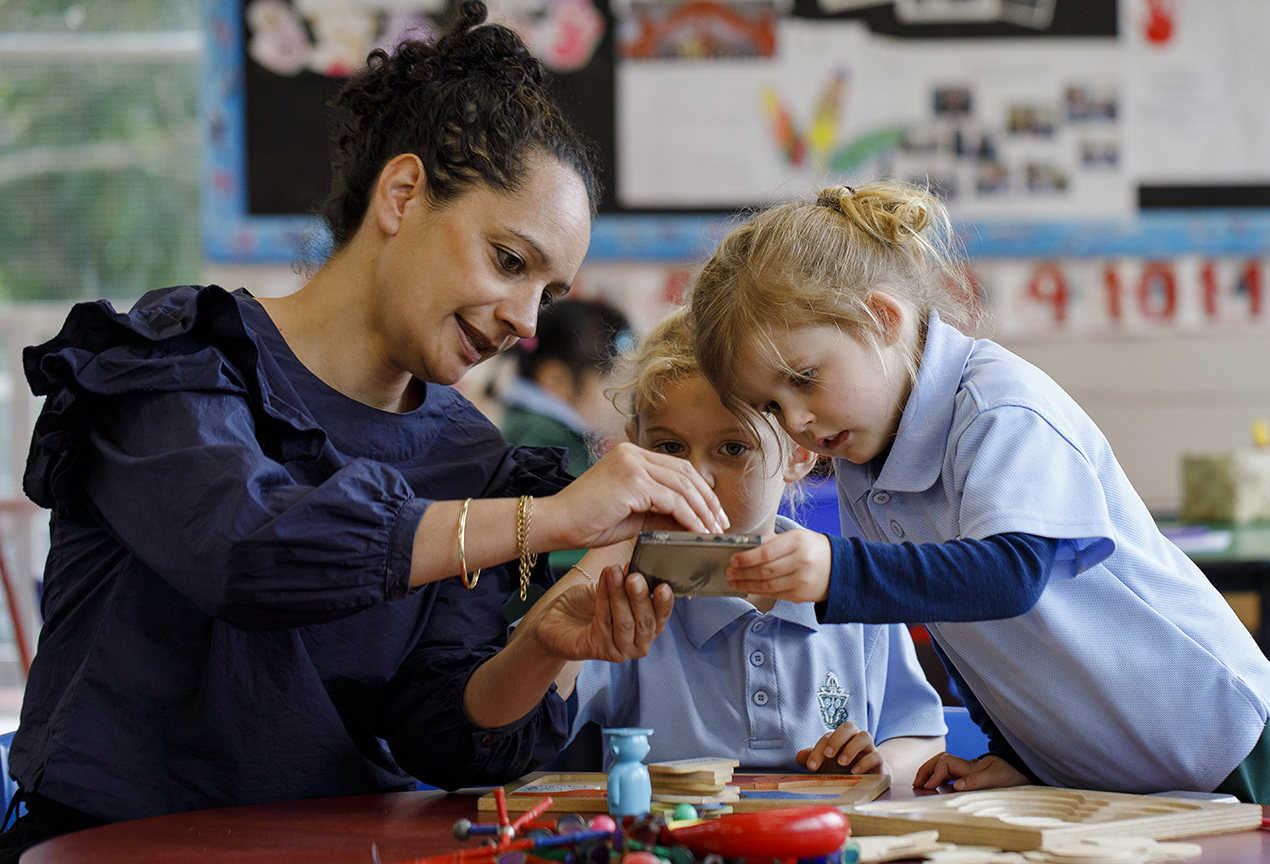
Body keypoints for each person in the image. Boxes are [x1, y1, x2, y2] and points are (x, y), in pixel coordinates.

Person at [0, 4, 729, 858]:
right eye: (509, 260)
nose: (527, 323)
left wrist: (546, 646)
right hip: (116, 846)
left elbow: (438, 735)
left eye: (550, 293)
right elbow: (255, 551)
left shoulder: (467, 455)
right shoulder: (179, 361)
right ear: (403, 193)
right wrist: (554, 518)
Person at [685, 181, 1270, 811]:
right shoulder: (863, 462)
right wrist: (1015, 749)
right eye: (771, 404)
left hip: (1224, 746)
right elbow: (965, 629)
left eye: (804, 378)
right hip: (1107, 781)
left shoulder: (998, 406)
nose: (795, 420)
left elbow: (1011, 575)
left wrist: (840, 569)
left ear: (882, 319)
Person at [559, 311, 946, 782]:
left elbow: (921, 734)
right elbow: (533, 716)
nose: (693, 477)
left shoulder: (852, 589)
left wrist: (880, 765)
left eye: (733, 448)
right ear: (632, 450)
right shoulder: (626, 596)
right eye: (669, 448)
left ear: (800, 454)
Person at [502, 298, 634, 572]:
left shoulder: (543, 429)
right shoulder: (540, 439)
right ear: (556, 380)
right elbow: (553, 549)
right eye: (608, 379)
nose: (620, 397)